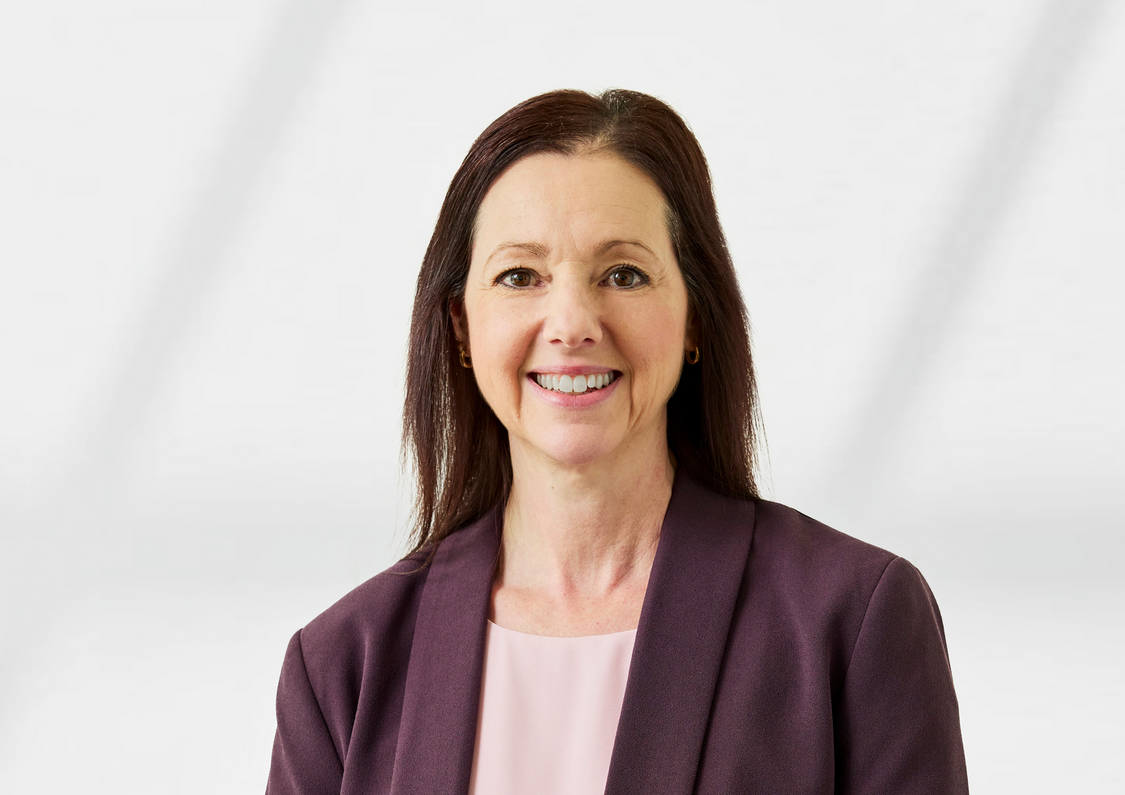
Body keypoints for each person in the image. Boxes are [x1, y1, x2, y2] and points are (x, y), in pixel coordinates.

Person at [265, 89, 969, 795]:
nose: (571, 322)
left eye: (623, 274)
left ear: (694, 316)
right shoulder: (340, 665)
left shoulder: (848, 622)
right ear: (459, 328)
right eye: (520, 276)